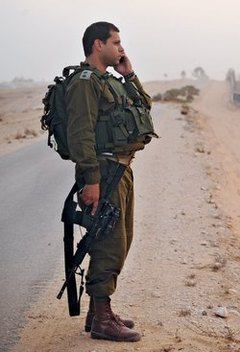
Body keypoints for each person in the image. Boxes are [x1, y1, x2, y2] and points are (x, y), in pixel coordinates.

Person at [65, 21, 156, 342]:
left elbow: (144, 108)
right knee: (110, 241)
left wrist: (129, 75)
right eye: (115, 43)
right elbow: (80, 134)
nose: (121, 48)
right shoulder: (85, 83)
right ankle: (102, 318)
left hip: (120, 169)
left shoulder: (110, 81)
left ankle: (97, 311)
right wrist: (90, 180)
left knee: (120, 238)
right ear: (97, 45)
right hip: (102, 171)